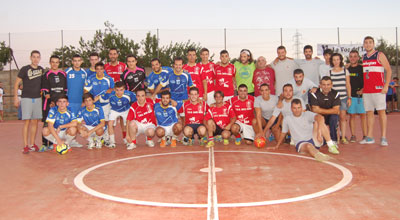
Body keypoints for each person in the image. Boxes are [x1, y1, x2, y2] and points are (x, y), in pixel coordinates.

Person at [271, 98, 339, 160]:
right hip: (301, 143)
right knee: (308, 146)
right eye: (294, 108)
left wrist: (319, 133)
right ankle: (318, 155)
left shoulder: (307, 114)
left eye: (299, 108)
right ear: (291, 108)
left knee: (318, 121)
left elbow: (320, 117)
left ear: (302, 108)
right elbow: (283, 133)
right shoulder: (287, 119)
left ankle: (330, 145)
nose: (297, 110)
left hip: (314, 139)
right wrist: (277, 145)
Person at [361, 36, 392, 146]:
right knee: (369, 113)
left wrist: (386, 85)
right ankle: (370, 137)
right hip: (367, 90)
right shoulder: (364, 57)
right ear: (364, 45)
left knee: (381, 112)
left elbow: (388, 70)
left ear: (373, 44)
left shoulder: (379, 55)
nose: (368, 44)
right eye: (366, 43)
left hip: (379, 89)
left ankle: (383, 137)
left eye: (370, 42)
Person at [14, 50, 44, 153]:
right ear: (30, 58)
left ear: (40, 58)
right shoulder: (24, 69)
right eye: (34, 57)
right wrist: (15, 98)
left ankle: (32, 144)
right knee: (27, 121)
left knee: (35, 121)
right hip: (26, 98)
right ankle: (25, 145)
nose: (36, 59)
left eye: (38, 57)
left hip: (37, 98)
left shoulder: (41, 70)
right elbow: (16, 83)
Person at [41, 55, 68, 149]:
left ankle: (53, 143)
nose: (55, 64)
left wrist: (62, 103)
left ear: (59, 63)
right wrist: (51, 102)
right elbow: (45, 92)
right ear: (50, 63)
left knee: (56, 124)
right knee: (47, 124)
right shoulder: (46, 75)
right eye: (53, 62)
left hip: (60, 104)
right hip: (49, 104)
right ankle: (44, 144)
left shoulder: (63, 74)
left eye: (57, 62)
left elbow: (65, 90)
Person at [84, 62, 114, 145]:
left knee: (106, 121)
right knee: (96, 121)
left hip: (105, 103)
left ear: (104, 70)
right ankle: (95, 139)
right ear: (95, 69)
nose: (99, 71)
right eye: (97, 69)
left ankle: (106, 138)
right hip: (95, 104)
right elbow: (86, 90)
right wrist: (89, 99)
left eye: (101, 69)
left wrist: (101, 96)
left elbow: (112, 90)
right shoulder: (91, 78)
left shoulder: (109, 79)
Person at [100, 81, 136, 148]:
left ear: (124, 89)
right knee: (110, 123)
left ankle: (126, 139)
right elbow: (101, 98)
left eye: (121, 90)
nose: (119, 92)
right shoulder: (110, 94)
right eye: (117, 90)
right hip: (114, 110)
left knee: (127, 124)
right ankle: (112, 142)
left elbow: (137, 100)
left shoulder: (129, 94)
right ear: (114, 89)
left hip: (125, 110)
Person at [309, 76, 341, 144]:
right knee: (318, 117)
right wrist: (330, 110)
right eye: (323, 84)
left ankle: (333, 140)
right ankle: (320, 138)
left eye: (328, 84)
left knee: (334, 117)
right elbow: (314, 110)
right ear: (320, 85)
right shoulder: (314, 93)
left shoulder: (336, 94)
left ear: (332, 85)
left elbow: (336, 111)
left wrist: (319, 110)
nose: (326, 87)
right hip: (319, 117)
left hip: (330, 117)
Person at [328, 53, 351, 144]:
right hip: (333, 99)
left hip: (343, 98)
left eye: (337, 59)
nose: (336, 61)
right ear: (332, 61)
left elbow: (348, 85)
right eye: (334, 60)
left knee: (342, 117)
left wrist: (349, 97)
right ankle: (334, 137)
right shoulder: (329, 72)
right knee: (334, 118)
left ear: (340, 60)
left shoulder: (345, 71)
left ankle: (343, 137)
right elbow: (328, 86)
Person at [347, 50, 367, 142]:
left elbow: (368, 80)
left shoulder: (362, 68)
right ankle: (353, 136)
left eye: (355, 56)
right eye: (351, 56)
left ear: (358, 58)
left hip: (361, 96)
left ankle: (365, 136)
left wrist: (363, 89)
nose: (353, 58)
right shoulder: (346, 69)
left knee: (363, 115)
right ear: (349, 58)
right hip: (351, 96)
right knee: (352, 116)